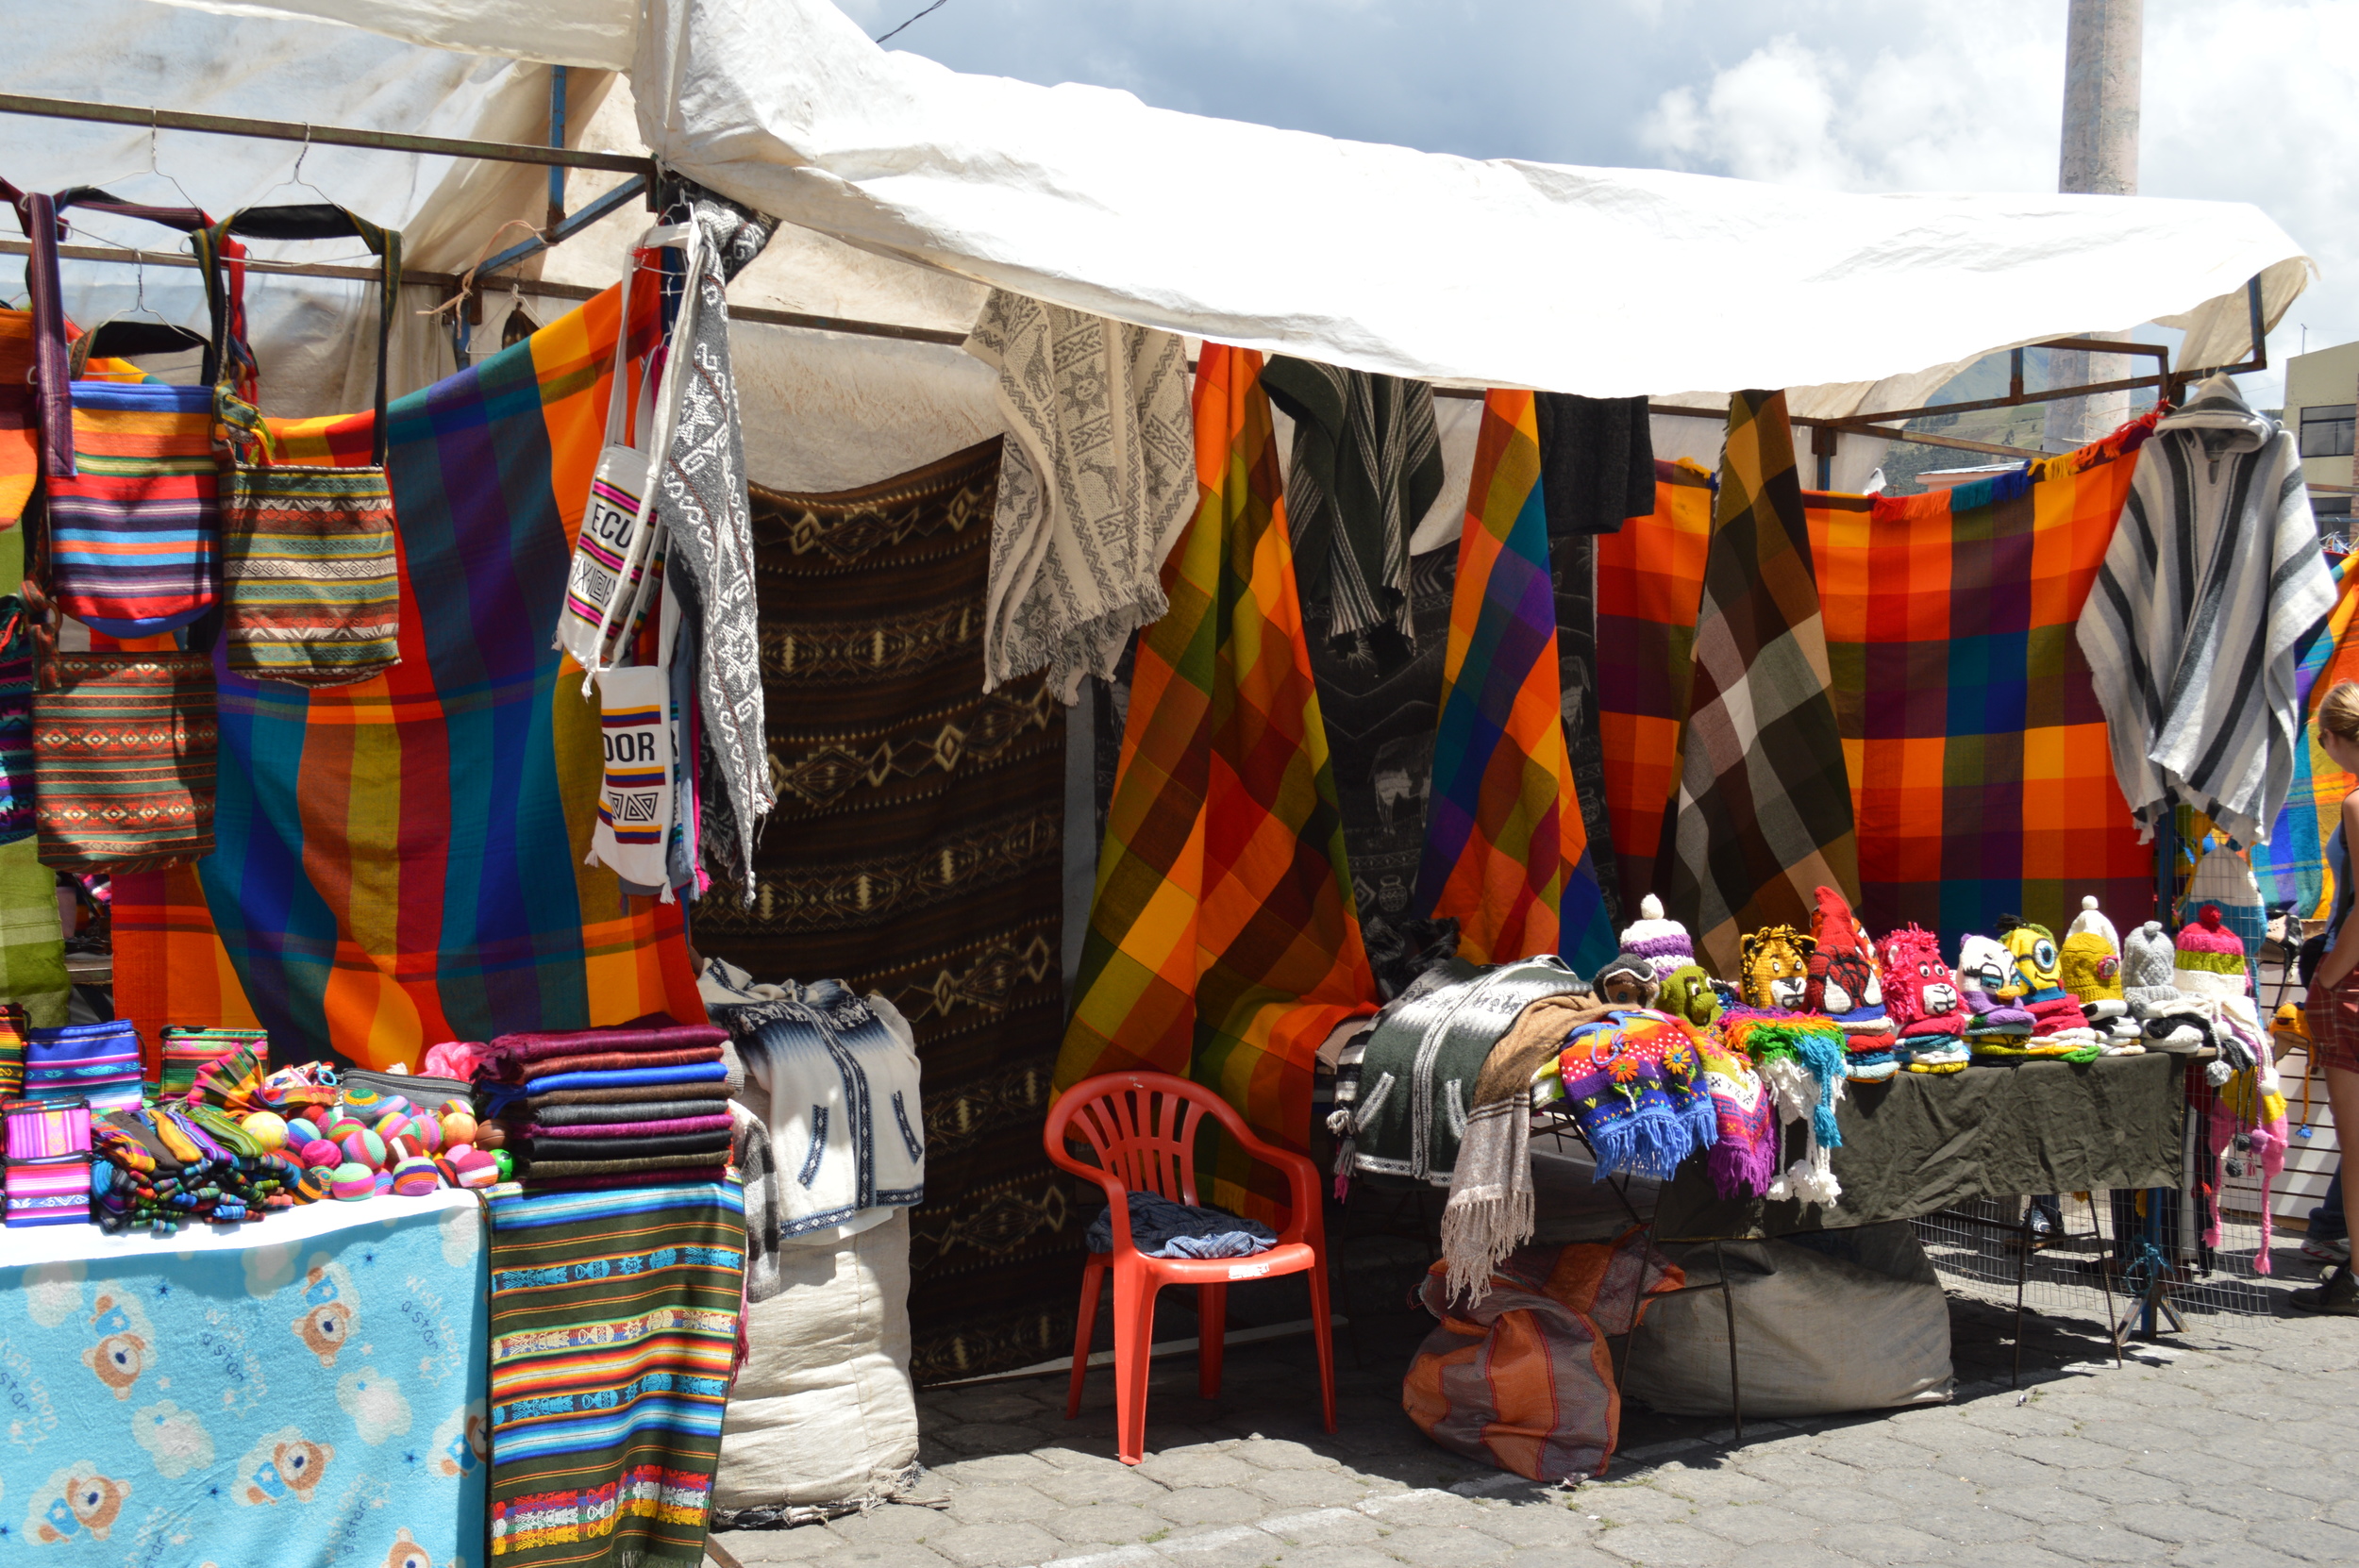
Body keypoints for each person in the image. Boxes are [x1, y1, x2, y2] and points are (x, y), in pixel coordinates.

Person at [2294, 681, 2359, 1313]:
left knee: (2356, 1141)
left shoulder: (2357, 805)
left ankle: (2356, 1276)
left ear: (2338, 739)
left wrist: (2329, 977)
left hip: (2352, 978)